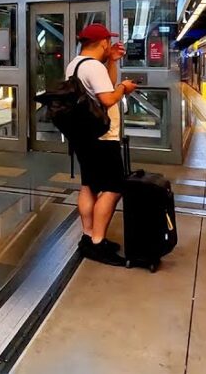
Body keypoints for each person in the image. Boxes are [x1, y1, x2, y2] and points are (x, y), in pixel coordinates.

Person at [66, 24, 138, 266]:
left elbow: (103, 86)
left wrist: (113, 62)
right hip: (102, 137)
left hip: (83, 136)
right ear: (103, 43)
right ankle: (98, 243)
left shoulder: (75, 64)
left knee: (89, 185)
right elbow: (108, 98)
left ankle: (87, 237)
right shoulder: (94, 66)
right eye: (108, 42)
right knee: (113, 187)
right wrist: (124, 89)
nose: (110, 45)